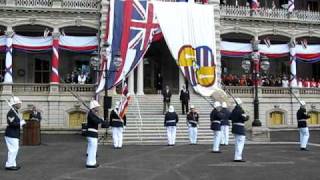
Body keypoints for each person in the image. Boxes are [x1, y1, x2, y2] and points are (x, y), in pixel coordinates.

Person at [4, 96, 26, 171]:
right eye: (18, 103)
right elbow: (11, 123)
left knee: (14, 149)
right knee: (13, 150)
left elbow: (14, 123)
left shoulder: (15, 112)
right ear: (14, 104)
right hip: (11, 134)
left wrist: (20, 123)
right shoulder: (11, 112)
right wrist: (20, 123)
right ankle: (9, 165)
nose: (20, 104)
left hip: (13, 134)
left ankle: (12, 164)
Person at [86, 99, 105, 168]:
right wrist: (101, 120)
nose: (98, 108)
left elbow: (97, 120)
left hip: (93, 133)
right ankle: (90, 163)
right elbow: (96, 121)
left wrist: (101, 120)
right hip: (92, 133)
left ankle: (92, 162)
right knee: (92, 149)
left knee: (93, 149)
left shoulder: (92, 114)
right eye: (96, 107)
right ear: (93, 107)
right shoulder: (91, 114)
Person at [230, 98, 249, 162]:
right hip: (240, 128)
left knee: (237, 143)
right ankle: (238, 157)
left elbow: (230, 117)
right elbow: (244, 118)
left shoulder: (233, 110)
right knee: (240, 143)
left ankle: (236, 157)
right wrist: (247, 116)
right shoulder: (241, 110)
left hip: (234, 128)